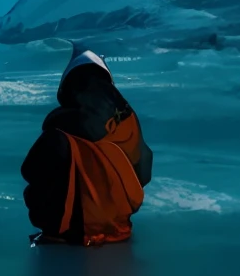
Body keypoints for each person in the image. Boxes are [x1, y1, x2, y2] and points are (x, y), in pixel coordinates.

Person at [21, 48, 152, 245]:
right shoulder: (128, 123)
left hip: (70, 231)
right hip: (120, 227)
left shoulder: (58, 133)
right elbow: (144, 168)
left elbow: (30, 170)